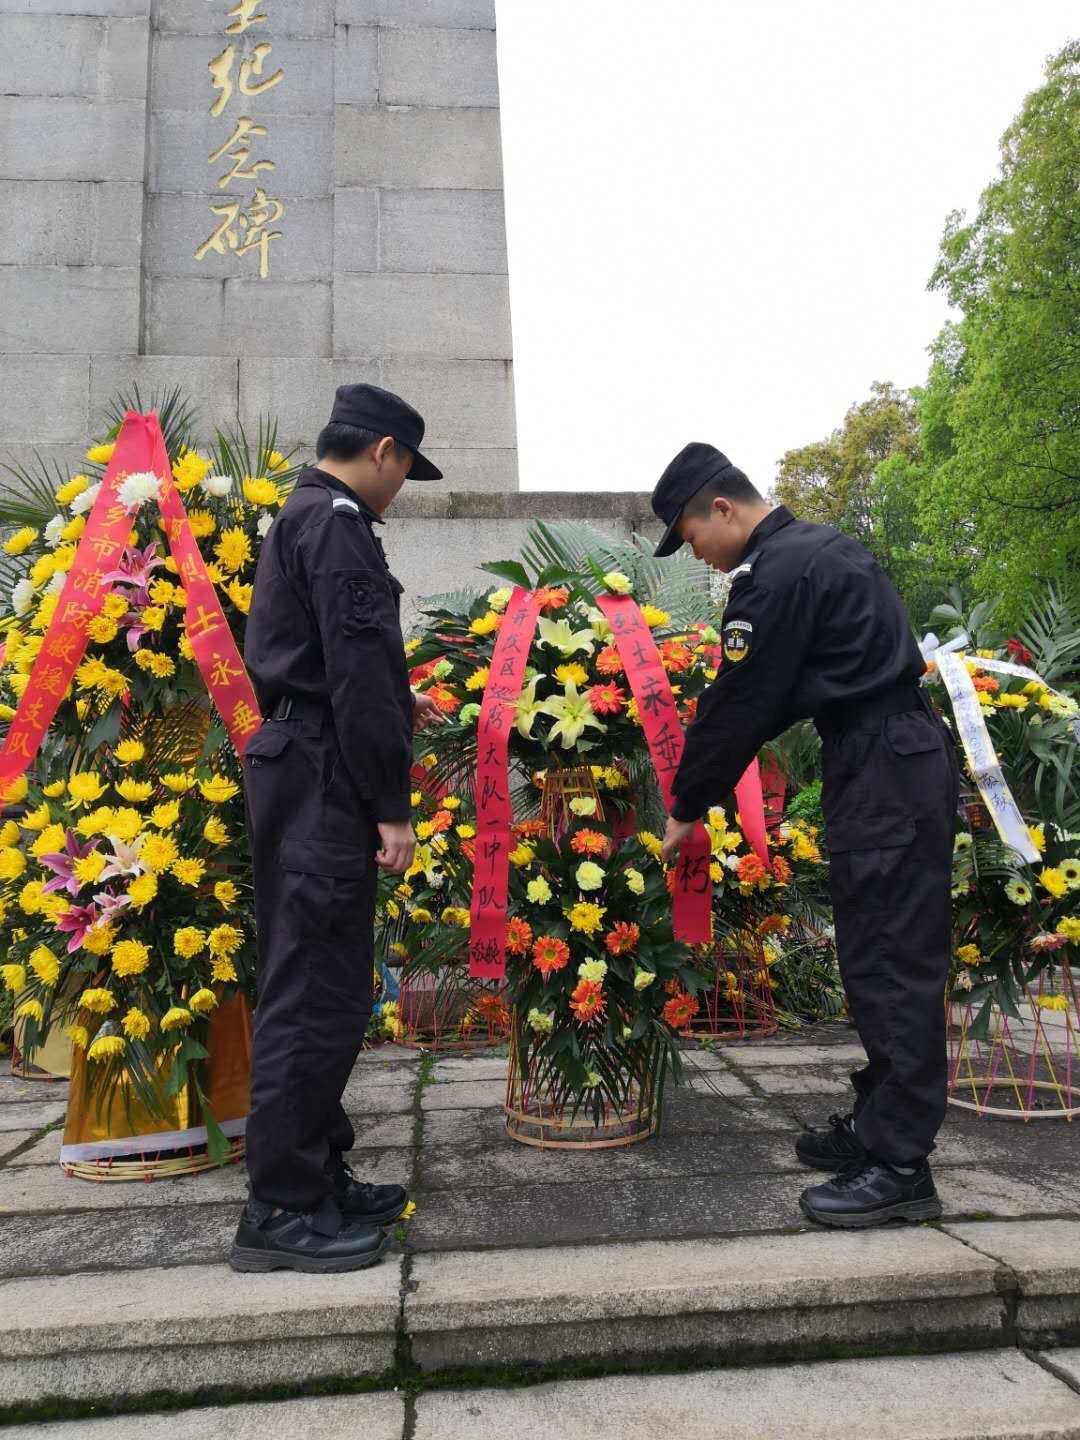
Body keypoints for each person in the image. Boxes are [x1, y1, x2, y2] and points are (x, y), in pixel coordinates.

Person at [654, 442, 959, 1229]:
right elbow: (785, 692)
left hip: (883, 760)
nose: (701, 558)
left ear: (722, 508)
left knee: (891, 961)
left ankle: (900, 1166)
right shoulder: (821, 546)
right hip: (888, 754)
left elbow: (742, 700)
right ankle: (878, 1126)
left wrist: (687, 804)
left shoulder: (776, 573)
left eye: (691, 537)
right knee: (874, 951)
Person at [230, 383, 444, 1273]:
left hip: (302, 761)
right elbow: (352, 672)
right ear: (384, 451)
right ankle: (280, 1207)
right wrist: (391, 807)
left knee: (325, 982)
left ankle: (317, 1168)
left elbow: (336, 661)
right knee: (314, 991)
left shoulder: (304, 516)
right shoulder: (340, 522)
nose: (403, 488)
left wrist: (403, 698)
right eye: (406, 471)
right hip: (323, 776)